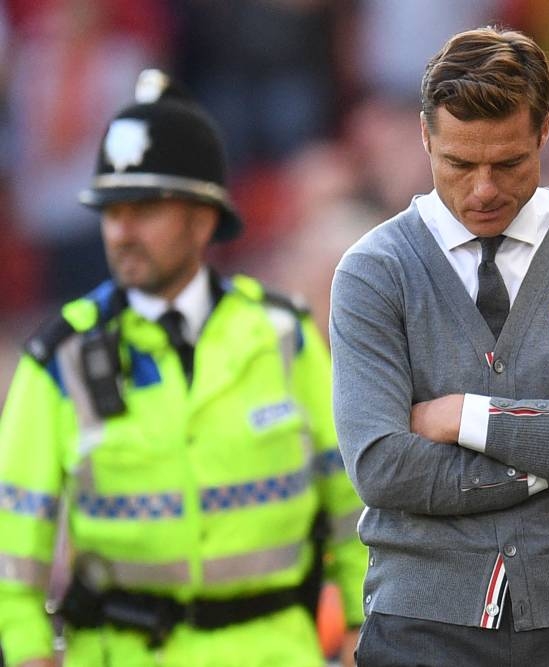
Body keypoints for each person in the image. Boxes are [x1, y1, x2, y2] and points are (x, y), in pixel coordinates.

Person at [0, 69, 366, 667]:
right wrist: (28, 653)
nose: (120, 231)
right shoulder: (58, 357)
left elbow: (352, 501)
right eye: (111, 210)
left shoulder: (283, 336)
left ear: (203, 220)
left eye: (144, 209)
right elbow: (14, 545)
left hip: (275, 653)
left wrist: (361, 629)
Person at [329, 26, 549, 666]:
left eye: (508, 163)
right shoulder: (373, 270)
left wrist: (463, 417)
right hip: (420, 622)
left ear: (544, 132)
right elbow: (380, 466)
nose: (483, 190)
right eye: (458, 163)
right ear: (425, 137)